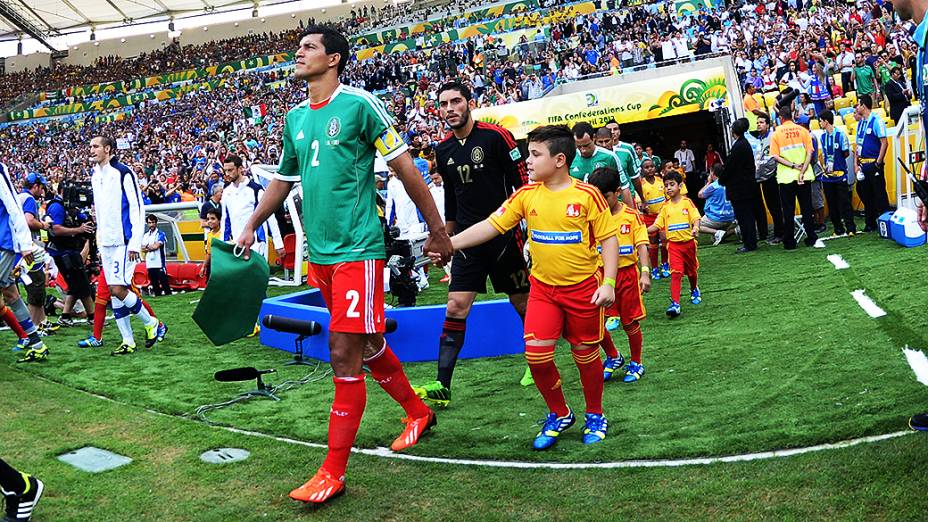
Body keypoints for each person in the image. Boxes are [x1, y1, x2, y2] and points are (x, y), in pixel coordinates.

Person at [235, 25, 452, 505]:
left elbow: (405, 168)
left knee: (342, 352)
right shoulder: (294, 117)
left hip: (359, 251)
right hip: (322, 255)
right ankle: (419, 412)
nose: (300, 52)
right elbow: (282, 181)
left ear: (333, 59)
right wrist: (251, 223)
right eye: (300, 47)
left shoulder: (359, 104)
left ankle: (332, 472)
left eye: (310, 47)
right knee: (368, 343)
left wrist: (436, 229)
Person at [428, 124, 618, 450]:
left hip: (583, 290)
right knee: (536, 355)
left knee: (585, 355)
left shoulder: (587, 196)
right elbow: (491, 225)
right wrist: (451, 243)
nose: (527, 161)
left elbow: (609, 239)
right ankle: (559, 413)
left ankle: (595, 414)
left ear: (559, 160)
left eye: (534, 154)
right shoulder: (525, 195)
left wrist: (610, 282)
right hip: (543, 290)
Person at [411, 81, 531, 406]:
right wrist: (446, 239)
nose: (450, 108)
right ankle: (442, 384)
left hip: (505, 238)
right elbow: (452, 198)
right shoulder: (443, 149)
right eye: (443, 103)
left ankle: (537, 363)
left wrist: (529, 230)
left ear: (470, 103)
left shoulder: (496, 137)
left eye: (455, 101)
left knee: (523, 305)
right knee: (455, 307)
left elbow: (524, 184)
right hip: (466, 242)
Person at [89, 136, 165, 356]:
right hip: (107, 242)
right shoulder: (95, 175)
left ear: (108, 149)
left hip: (124, 242)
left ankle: (152, 323)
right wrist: (99, 236)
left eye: (95, 146)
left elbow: (137, 207)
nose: (91, 150)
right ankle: (128, 340)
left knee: (118, 289)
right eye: (91, 146)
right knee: (114, 295)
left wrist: (134, 242)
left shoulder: (123, 172)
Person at [587, 167, 651, 383]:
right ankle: (613, 356)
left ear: (616, 192)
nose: (601, 202)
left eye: (605, 197)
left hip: (627, 276)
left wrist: (644, 273)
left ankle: (636, 362)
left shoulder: (631, 216)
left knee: (629, 322)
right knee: (594, 321)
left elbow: (642, 245)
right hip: (601, 276)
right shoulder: (593, 217)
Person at [0, 163, 46, 363]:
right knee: (10, 293)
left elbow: (13, 206)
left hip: (3, 242)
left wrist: (26, 243)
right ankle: (36, 344)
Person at [647, 171, 701, 318]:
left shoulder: (687, 202)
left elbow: (696, 218)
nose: (669, 188)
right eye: (666, 186)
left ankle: (694, 288)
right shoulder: (665, 207)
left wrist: (695, 227)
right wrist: (642, 230)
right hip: (674, 246)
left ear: (680, 186)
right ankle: (675, 303)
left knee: (691, 272)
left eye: (672, 184)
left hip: (689, 244)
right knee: (676, 273)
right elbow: (656, 225)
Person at [770, 107, 822, 250]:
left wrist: (793, 166)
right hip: (804, 175)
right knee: (807, 208)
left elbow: (775, 156)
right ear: (792, 116)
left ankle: (790, 241)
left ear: (781, 118)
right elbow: (810, 153)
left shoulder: (776, 134)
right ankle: (811, 236)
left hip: (786, 176)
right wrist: (802, 170)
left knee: (788, 210)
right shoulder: (803, 131)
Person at [44, 184, 95, 327]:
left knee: (76, 284)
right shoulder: (57, 207)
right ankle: (92, 317)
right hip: (62, 253)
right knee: (82, 284)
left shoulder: (70, 207)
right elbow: (57, 229)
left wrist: (88, 223)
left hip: (71, 250)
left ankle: (65, 316)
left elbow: (83, 219)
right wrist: (79, 229)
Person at [219, 154, 283, 260]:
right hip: (236, 243)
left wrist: (278, 244)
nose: (227, 174)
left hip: (257, 243)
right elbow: (225, 220)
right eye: (225, 171)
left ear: (240, 169)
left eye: (230, 170)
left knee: (257, 275)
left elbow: (270, 217)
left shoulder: (256, 189)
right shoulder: (226, 192)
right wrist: (223, 244)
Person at [16, 173, 55, 333]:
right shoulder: (29, 199)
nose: (43, 190)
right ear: (36, 186)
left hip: (18, 247)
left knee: (34, 286)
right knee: (35, 286)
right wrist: (43, 225)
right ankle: (34, 326)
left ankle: (41, 321)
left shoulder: (19, 197)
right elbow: (29, 221)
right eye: (41, 187)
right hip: (29, 248)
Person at [717, 118, 761, 253]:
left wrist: (721, 179)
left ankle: (749, 243)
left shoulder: (739, 146)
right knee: (746, 215)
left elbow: (730, 168)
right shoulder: (743, 144)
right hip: (745, 187)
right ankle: (750, 241)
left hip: (740, 188)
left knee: (744, 216)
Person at [570, 122, 634, 204]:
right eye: (579, 146)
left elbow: (624, 187)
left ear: (593, 138)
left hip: (605, 209)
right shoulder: (570, 157)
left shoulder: (610, 157)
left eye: (586, 145)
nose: (583, 150)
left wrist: (630, 215)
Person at [746, 112, 784, 244]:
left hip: (772, 177)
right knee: (771, 206)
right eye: (757, 123)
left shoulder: (772, 137)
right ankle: (778, 231)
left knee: (775, 206)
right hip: (762, 178)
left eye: (761, 122)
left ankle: (780, 233)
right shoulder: (759, 139)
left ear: (768, 125)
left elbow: (772, 159)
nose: (758, 125)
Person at [818, 110, 857, 236]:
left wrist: (837, 162)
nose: (819, 123)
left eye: (820, 120)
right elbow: (824, 154)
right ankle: (838, 229)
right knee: (832, 203)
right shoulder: (822, 137)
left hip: (840, 174)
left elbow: (846, 152)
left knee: (845, 202)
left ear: (826, 121)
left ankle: (851, 228)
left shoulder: (840, 134)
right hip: (828, 176)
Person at [855, 94, 890, 232]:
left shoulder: (876, 121)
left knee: (880, 194)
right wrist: (857, 164)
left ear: (863, 106)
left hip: (873, 164)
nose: (857, 108)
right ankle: (870, 223)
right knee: (866, 194)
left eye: (858, 104)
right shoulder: (860, 123)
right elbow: (858, 145)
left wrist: (878, 162)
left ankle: (886, 222)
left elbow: (884, 142)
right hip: (863, 165)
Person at [638, 158, 671, 279]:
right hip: (649, 217)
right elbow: (639, 201)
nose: (650, 169)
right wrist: (642, 205)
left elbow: (668, 197)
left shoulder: (661, 181)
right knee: (653, 242)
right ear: (642, 170)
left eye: (651, 166)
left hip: (662, 215)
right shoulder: (640, 184)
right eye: (646, 167)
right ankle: (655, 268)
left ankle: (665, 264)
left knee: (664, 239)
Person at [697, 164, 737, 245]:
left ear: (713, 174)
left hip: (716, 218)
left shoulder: (713, 186)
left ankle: (717, 232)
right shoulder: (729, 183)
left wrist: (708, 182)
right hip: (729, 217)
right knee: (714, 239)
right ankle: (734, 231)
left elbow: (700, 194)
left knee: (695, 225)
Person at [605, 120, 644, 201]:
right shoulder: (601, 151)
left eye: (615, 129)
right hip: (609, 199)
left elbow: (635, 175)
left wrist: (640, 197)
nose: (612, 132)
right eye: (609, 130)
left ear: (619, 131)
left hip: (628, 196)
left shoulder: (628, 148)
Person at [141, 215, 171, 296]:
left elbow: (156, 246)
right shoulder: (146, 235)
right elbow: (142, 249)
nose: (151, 224)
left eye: (153, 222)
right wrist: (151, 246)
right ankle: (158, 297)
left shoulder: (161, 234)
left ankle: (169, 297)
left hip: (159, 263)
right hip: (150, 264)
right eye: (149, 223)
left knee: (164, 284)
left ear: (156, 223)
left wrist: (148, 246)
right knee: (155, 285)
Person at [674, 140, 699, 209]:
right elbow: (674, 162)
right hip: (680, 173)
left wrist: (695, 170)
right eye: (682, 143)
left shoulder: (690, 151)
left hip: (689, 171)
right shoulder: (677, 153)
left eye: (685, 143)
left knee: (690, 187)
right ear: (680, 144)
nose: (683, 145)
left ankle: (692, 202)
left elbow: (693, 161)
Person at [199, 207, 221, 280]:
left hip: (222, 265)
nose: (209, 221)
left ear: (219, 220)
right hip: (212, 265)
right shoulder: (209, 235)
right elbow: (209, 253)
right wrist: (203, 267)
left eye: (213, 218)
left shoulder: (225, 234)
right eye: (208, 219)